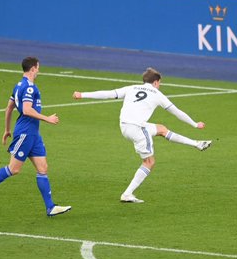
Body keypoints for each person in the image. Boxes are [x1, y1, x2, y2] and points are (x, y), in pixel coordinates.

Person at [72, 67, 211, 204]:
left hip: (125, 126)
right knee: (149, 162)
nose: (160, 86)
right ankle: (127, 194)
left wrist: (82, 94)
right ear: (156, 82)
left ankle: (197, 144)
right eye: (160, 83)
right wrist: (195, 124)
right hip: (138, 129)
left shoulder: (131, 88)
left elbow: (108, 93)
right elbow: (177, 112)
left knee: (161, 129)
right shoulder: (157, 94)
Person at [0, 57, 71, 217]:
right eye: (38, 67)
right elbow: (26, 110)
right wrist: (48, 119)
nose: (38, 70)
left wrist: (6, 130)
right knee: (14, 169)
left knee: (42, 168)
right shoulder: (30, 87)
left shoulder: (19, 86)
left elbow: (8, 108)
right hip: (25, 133)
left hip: (33, 134)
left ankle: (50, 207)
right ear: (33, 68)